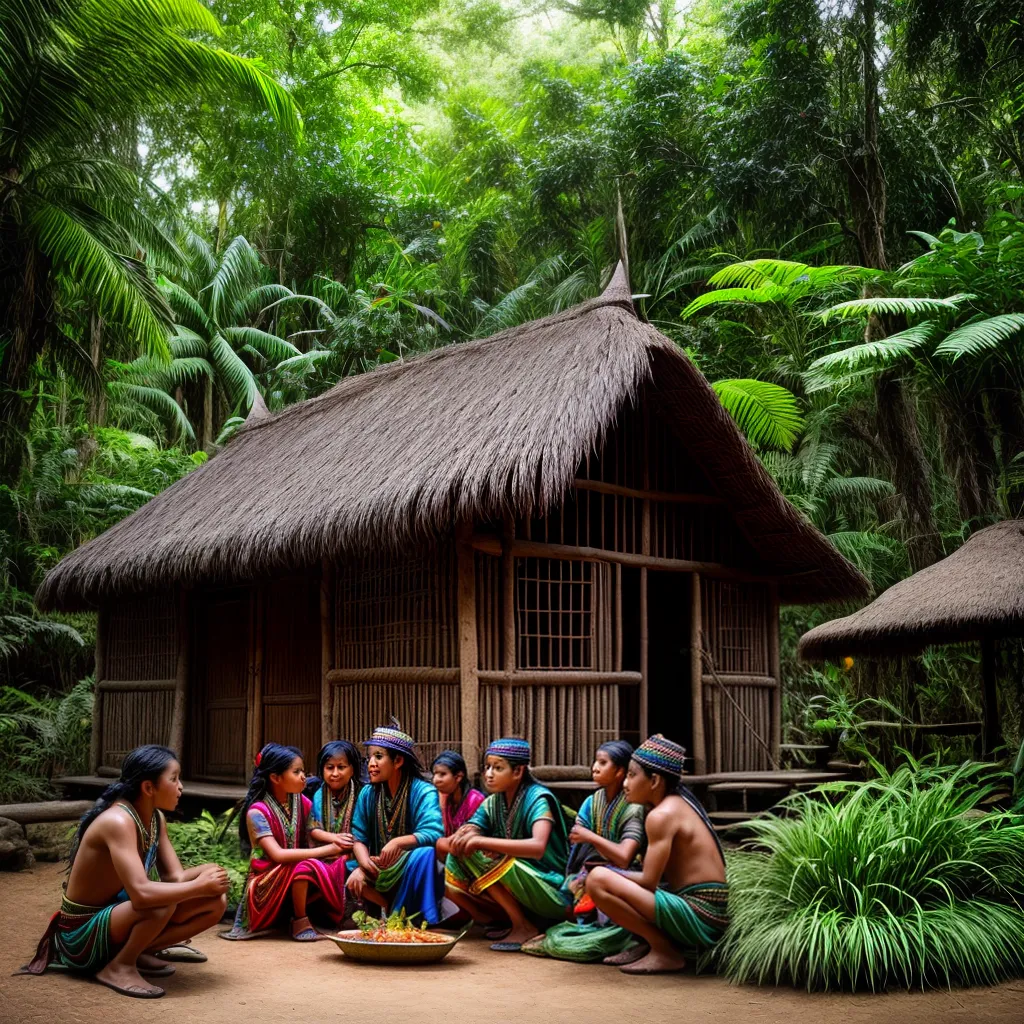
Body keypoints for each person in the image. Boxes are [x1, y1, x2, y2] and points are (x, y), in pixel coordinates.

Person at [19, 744, 229, 999]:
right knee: (160, 903)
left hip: (117, 918)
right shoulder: (118, 821)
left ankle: (139, 951)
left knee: (215, 902)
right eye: (174, 779)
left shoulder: (155, 818)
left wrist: (209, 872)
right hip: (80, 936)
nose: (181, 787)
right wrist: (199, 885)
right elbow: (142, 895)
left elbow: (175, 878)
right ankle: (120, 966)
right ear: (148, 787)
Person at [586, 734, 729, 975]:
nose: (625, 783)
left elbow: (648, 882)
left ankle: (664, 951)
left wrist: (607, 871)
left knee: (598, 880)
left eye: (632, 776)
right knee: (611, 876)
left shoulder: (661, 816)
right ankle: (647, 944)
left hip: (702, 914)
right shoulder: (673, 804)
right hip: (702, 907)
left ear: (654, 780)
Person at [522, 739, 646, 962]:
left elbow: (624, 857)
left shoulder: (633, 806)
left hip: (625, 878)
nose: (595, 767)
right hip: (589, 874)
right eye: (595, 762)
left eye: (603, 763)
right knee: (576, 886)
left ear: (620, 771)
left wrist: (589, 836)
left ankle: (627, 940)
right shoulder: (592, 801)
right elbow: (577, 840)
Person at [445, 737, 569, 951]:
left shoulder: (538, 798)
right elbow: (474, 826)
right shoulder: (494, 802)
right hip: (520, 881)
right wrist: (469, 832)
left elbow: (538, 847)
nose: (489, 774)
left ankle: (523, 926)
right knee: (459, 854)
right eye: (487, 767)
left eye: (498, 768)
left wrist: (481, 841)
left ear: (518, 771)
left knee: (483, 855)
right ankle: (499, 921)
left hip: (550, 883)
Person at [221, 743, 348, 942]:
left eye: (303, 771)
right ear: (276, 778)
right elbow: (278, 855)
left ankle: (333, 915)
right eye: (297, 772)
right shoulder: (257, 812)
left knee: (339, 862)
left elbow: (314, 833)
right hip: (266, 879)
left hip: (294, 871)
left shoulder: (302, 802)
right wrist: (327, 850)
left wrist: (335, 843)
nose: (304, 777)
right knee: (305, 866)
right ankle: (300, 922)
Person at [346, 722, 445, 924]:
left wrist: (397, 842)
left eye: (378, 756)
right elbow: (358, 838)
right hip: (378, 867)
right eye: (369, 757)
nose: (371, 763)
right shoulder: (368, 793)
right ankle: (386, 908)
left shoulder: (423, 791)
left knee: (425, 854)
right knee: (347, 871)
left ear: (398, 761)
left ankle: (407, 918)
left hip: (410, 868)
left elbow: (434, 832)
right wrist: (364, 865)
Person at [306, 740, 362, 854]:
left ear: (352, 770)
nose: (335, 773)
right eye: (330, 767)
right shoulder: (319, 795)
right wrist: (335, 838)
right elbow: (314, 829)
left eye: (341, 767)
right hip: (325, 853)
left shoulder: (361, 794)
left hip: (356, 852)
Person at [432, 750, 485, 860]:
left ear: (458, 777)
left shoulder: (475, 800)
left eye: (442, 774)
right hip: (453, 851)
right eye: (435, 774)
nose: (435, 780)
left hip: (472, 853)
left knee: (439, 844)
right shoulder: (445, 797)